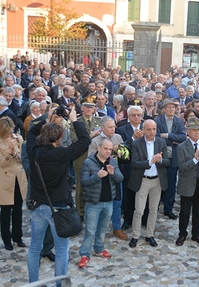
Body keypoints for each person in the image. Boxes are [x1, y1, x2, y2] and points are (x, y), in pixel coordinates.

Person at [26, 107, 91, 286]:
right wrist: (74, 120)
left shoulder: (34, 150)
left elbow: (31, 132)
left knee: (35, 247)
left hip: (37, 206)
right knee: (62, 249)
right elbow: (85, 140)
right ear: (60, 138)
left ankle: (33, 282)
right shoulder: (61, 153)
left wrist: (46, 120)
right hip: (58, 208)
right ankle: (60, 284)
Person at [78, 138, 124, 268]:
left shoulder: (112, 161)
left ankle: (99, 249)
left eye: (110, 149)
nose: (108, 151)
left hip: (108, 201)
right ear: (99, 148)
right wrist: (97, 176)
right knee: (90, 230)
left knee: (102, 229)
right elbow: (84, 182)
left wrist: (113, 173)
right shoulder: (88, 162)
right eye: (106, 148)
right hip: (93, 203)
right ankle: (85, 254)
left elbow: (120, 178)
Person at [128, 120, 170, 248]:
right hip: (143, 180)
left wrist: (160, 160)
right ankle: (135, 236)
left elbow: (168, 162)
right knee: (139, 210)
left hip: (157, 180)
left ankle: (149, 235)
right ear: (144, 130)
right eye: (149, 129)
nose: (152, 132)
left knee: (153, 210)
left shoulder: (161, 142)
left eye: (154, 129)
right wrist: (150, 161)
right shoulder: (136, 144)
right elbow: (134, 163)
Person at [175, 117, 199, 246]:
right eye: (194, 130)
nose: (197, 132)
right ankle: (182, 234)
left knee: (198, 211)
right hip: (187, 183)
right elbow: (181, 167)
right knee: (185, 211)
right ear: (188, 131)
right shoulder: (181, 147)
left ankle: (196, 234)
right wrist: (195, 160)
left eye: (198, 130)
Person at [155, 99, 186, 219]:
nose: (171, 109)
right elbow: (155, 136)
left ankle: (168, 209)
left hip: (173, 157)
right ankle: (155, 207)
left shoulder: (179, 122)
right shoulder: (158, 121)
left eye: (173, 107)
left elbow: (183, 137)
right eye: (168, 107)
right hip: (160, 156)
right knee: (157, 183)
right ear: (164, 109)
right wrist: (173, 141)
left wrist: (167, 135)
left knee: (171, 185)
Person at [0, 117, 27, 251]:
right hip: (5, 180)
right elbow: (2, 163)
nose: (11, 134)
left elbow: (21, 159)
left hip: (18, 178)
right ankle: (6, 238)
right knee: (5, 212)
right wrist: (9, 153)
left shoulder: (17, 139)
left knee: (18, 210)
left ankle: (18, 236)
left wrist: (14, 150)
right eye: (9, 131)